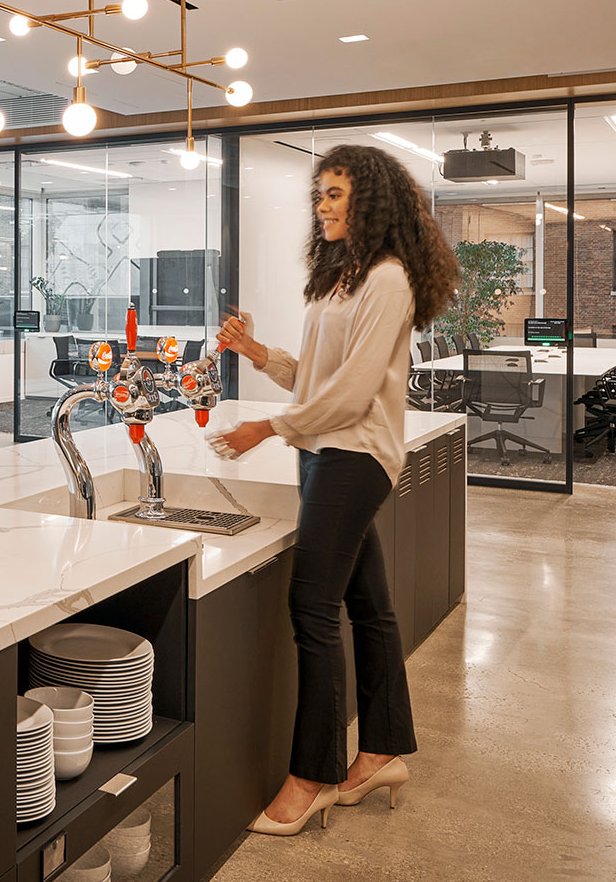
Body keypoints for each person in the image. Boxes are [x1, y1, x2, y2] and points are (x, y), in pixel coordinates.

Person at [215, 144, 458, 836]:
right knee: (368, 605)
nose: (321, 205)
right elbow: (319, 376)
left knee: (311, 604)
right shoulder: (340, 279)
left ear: (369, 200)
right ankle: (381, 748)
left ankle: (313, 773)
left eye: (335, 194)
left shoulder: (387, 280)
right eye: (318, 194)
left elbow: (350, 396)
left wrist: (268, 426)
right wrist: (258, 354)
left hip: (353, 455)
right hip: (324, 452)